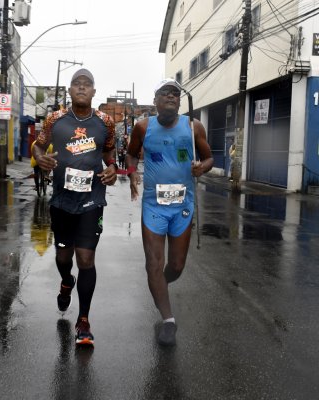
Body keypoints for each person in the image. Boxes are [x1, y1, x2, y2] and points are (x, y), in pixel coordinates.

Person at [32, 68, 117, 346]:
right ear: (69, 91)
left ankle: (83, 321)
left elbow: (109, 154)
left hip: (92, 200)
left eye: (87, 84)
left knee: (86, 260)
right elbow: (38, 146)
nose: (81, 87)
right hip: (61, 201)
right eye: (76, 84)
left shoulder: (105, 122)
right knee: (64, 258)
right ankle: (66, 281)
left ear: (94, 92)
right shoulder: (55, 120)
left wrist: (112, 169)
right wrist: (40, 158)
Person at [126, 78, 214, 346]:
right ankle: (168, 321)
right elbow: (131, 155)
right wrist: (132, 175)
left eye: (175, 94)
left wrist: (203, 167)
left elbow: (210, 158)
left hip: (182, 207)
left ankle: (159, 283)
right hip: (154, 205)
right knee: (153, 263)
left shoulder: (193, 126)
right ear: (154, 101)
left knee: (175, 266)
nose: (171, 97)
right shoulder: (143, 127)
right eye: (165, 93)